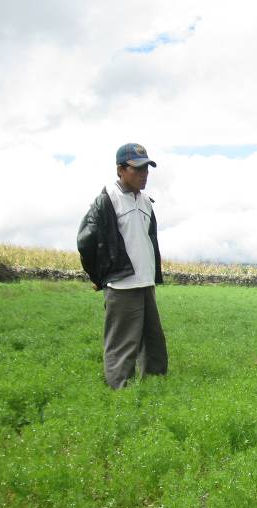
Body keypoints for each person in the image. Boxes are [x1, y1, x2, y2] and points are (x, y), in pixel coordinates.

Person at [77, 143, 167, 389]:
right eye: (137, 169)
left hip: (145, 281)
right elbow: (85, 241)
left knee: (153, 341)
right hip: (123, 284)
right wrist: (100, 276)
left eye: (146, 169)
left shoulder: (146, 201)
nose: (143, 174)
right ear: (120, 170)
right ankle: (120, 392)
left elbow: (148, 240)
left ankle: (156, 386)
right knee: (122, 344)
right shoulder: (108, 200)